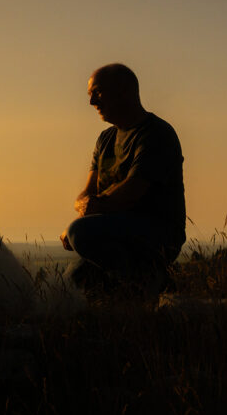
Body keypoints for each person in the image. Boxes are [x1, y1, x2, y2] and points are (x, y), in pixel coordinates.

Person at [61, 63, 185, 298]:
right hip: (114, 230)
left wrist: (89, 211)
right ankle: (128, 288)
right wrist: (85, 207)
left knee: (79, 232)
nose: (92, 102)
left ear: (123, 91)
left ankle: (149, 281)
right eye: (90, 95)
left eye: (97, 93)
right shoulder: (105, 139)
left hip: (156, 233)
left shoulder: (156, 134)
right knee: (67, 287)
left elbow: (131, 191)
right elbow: (86, 194)